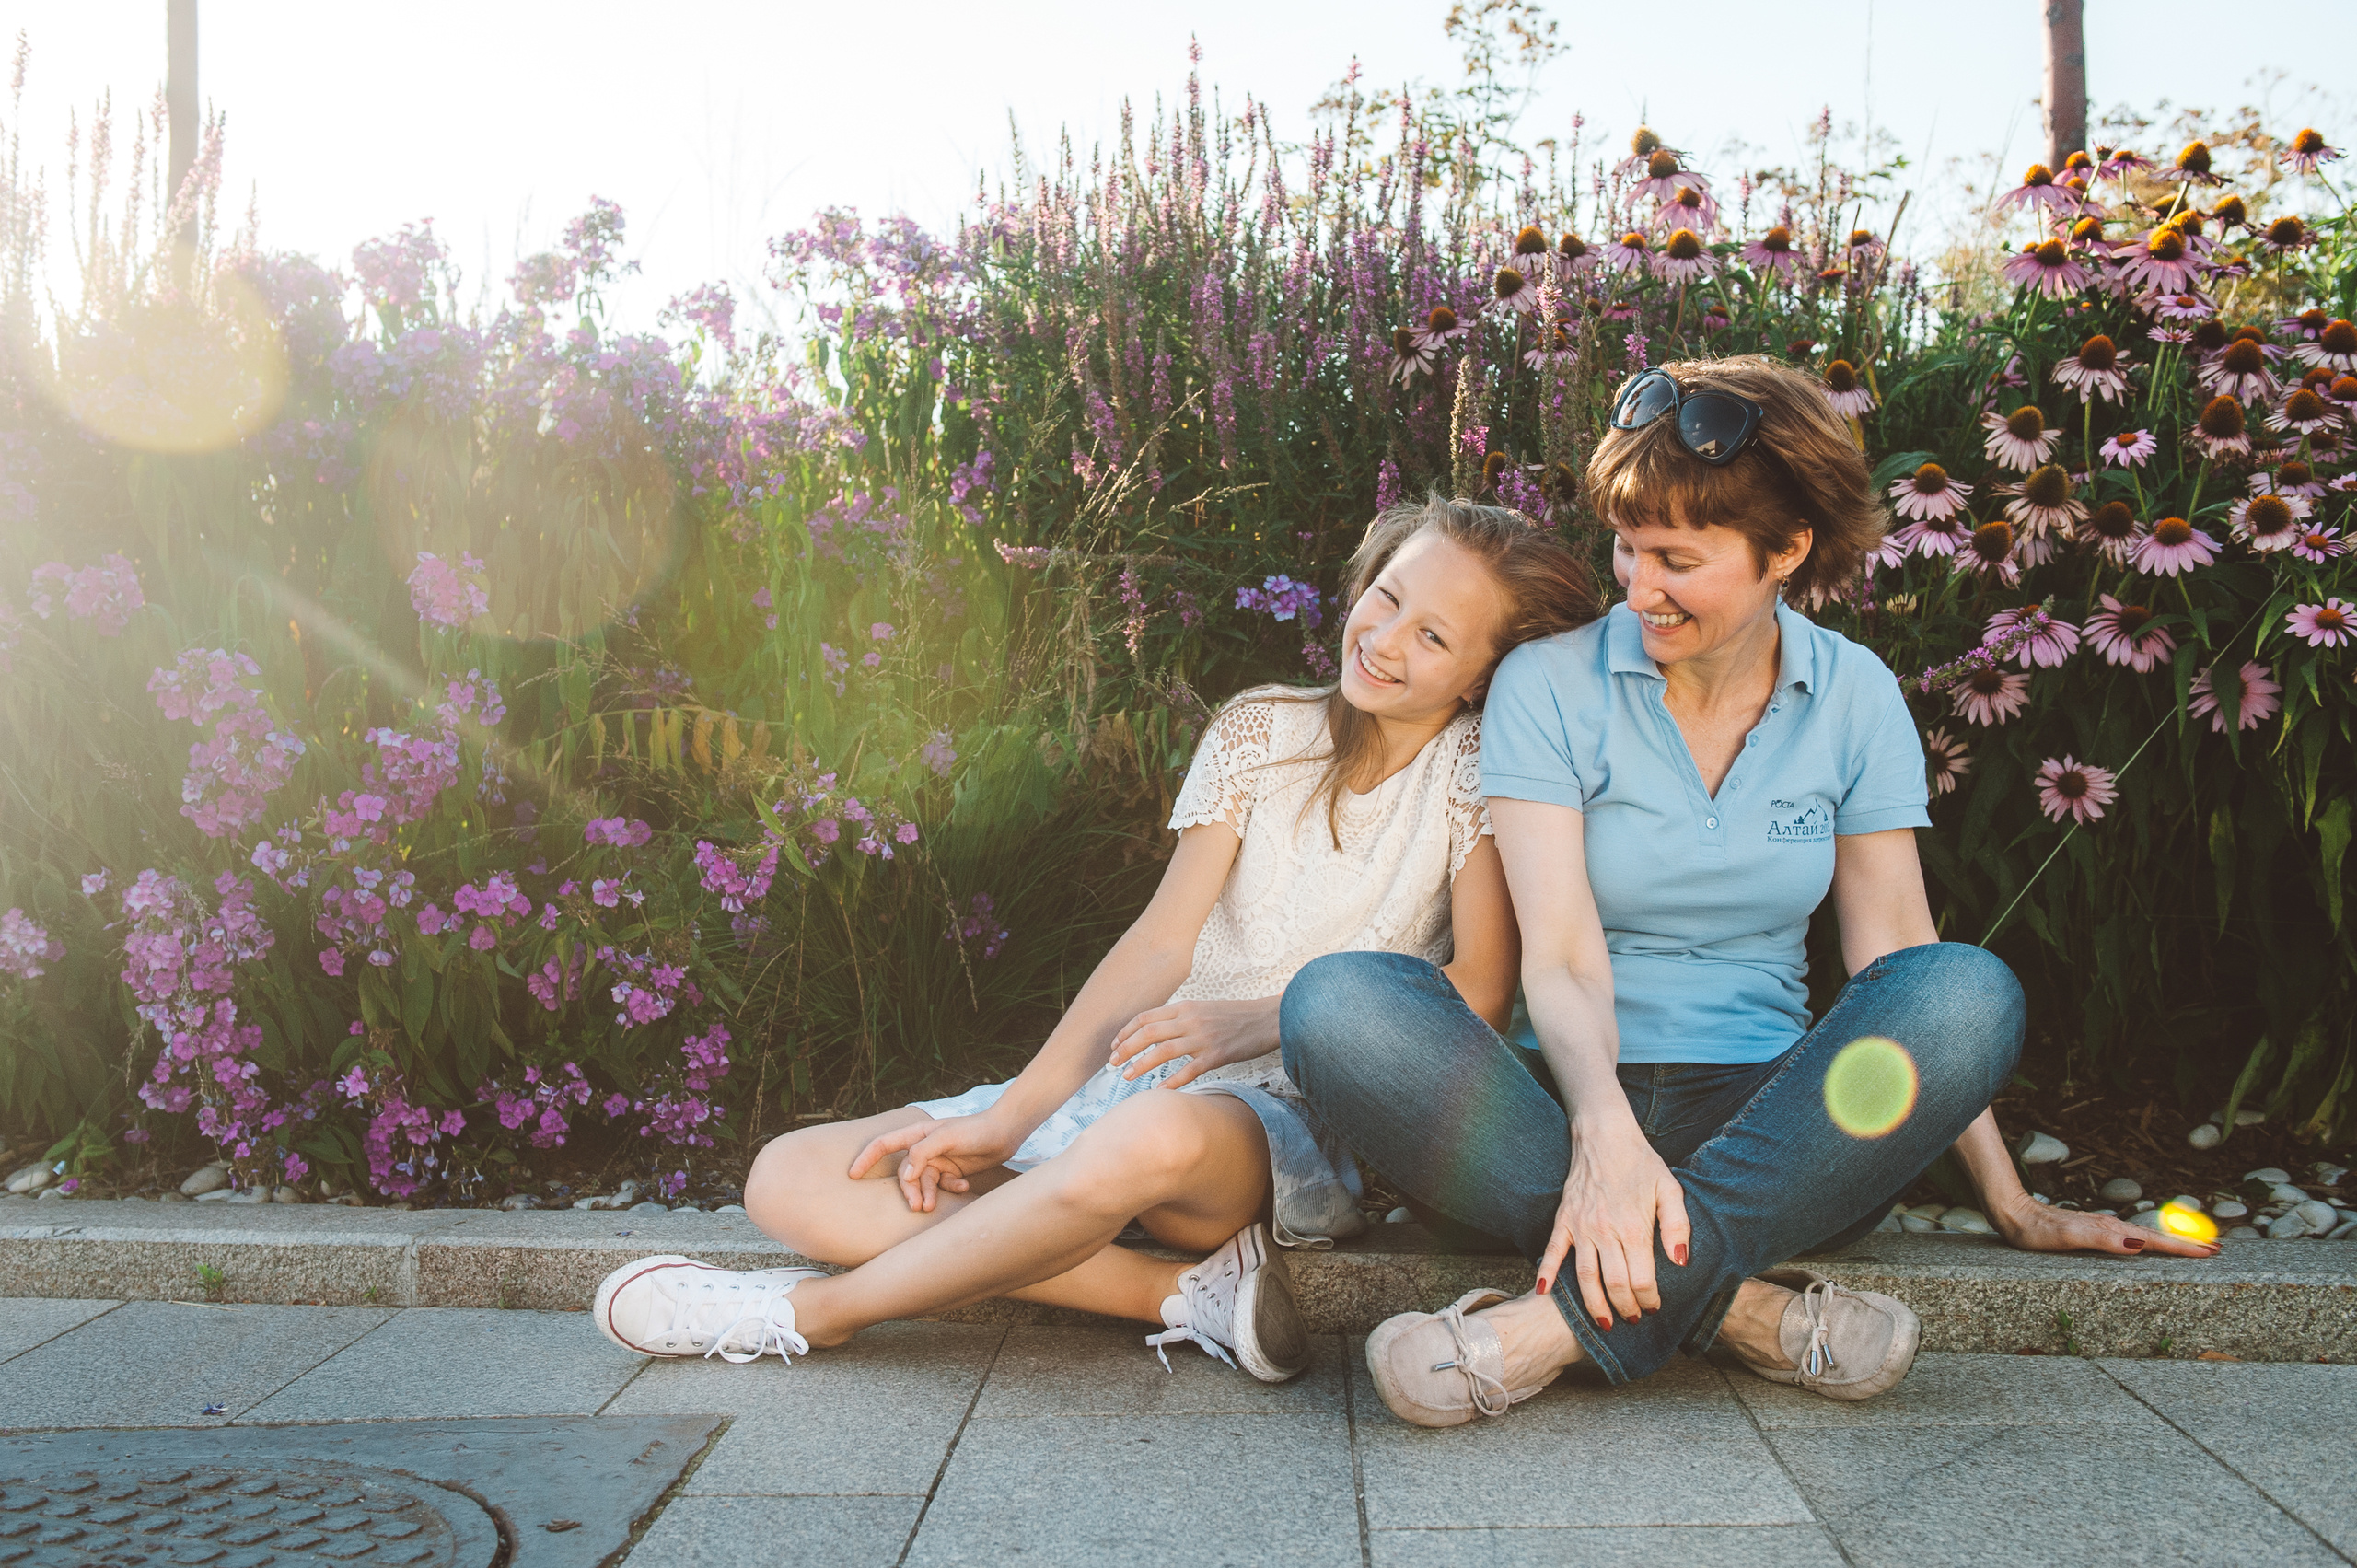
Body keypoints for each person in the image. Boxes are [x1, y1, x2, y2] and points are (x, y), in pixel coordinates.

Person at [1279, 356, 2219, 1428]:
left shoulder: (1855, 693)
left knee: (1965, 988)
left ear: (1787, 551)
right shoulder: (1550, 685)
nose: (1638, 587)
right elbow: (1563, 949)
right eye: (1627, 547)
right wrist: (1605, 1139)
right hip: (1555, 1111)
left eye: (1679, 559)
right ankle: (1749, 1313)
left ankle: (1536, 1330)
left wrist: (2006, 1197)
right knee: (1337, 1002)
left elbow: (1894, 958)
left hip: (1777, 1127)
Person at [588, 496, 1602, 1377]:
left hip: (1275, 1122)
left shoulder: (1475, 772)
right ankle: (1177, 1298)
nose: (1384, 639)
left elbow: (1476, 993)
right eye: (1387, 596)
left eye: (1434, 636)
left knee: (1149, 1135)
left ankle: (814, 1315)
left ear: (1479, 676)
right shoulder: (1262, 729)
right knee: (793, 1179)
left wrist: (1257, 1023)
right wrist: (1010, 1115)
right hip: (1140, 1078)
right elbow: (1160, 945)